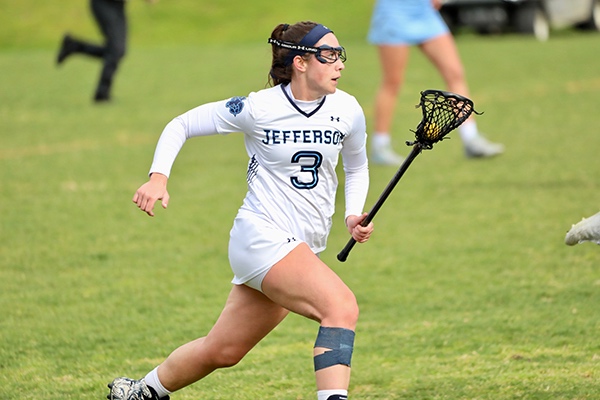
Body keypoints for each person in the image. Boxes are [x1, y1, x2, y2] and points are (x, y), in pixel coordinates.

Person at [107, 21, 374, 400]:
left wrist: (354, 213)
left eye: (339, 55)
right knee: (341, 307)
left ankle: (139, 391)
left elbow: (357, 166)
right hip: (261, 236)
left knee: (224, 350)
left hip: (300, 245)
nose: (340, 64)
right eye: (329, 55)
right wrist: (158, 178)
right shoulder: (258, 107)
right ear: (300, 62)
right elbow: (181, 124)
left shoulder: (347, 109)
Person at [368, 0, 504, 165]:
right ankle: (380, 146)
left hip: (424, 12)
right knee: (392, 82)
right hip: (394, 13)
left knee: (455, 73)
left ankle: (471, 139)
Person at [56, 0, 157, 102]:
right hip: (103, 4)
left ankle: (74, 46)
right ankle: (102, 94)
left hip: (118, 6)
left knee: (118, 51)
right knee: (116, 50)